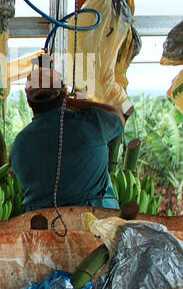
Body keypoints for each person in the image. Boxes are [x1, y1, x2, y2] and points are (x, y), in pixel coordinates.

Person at [9, 58, 127, 212]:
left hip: (43, 224)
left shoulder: (19, 144)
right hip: (96, 219)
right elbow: (118, 116)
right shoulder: (91, 124)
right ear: (63, 94)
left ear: (29, 102)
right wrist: (73, 102)